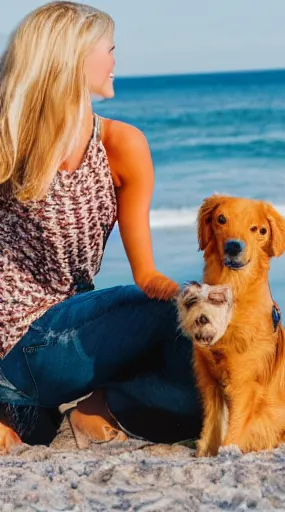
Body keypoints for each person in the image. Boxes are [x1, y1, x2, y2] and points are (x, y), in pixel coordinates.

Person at [0, 1, 201, 453]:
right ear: (72, 59)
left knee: (213, 339)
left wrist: (198, 298)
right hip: (18, 347)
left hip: (69, 350)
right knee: (179, 314)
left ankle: (98, 412)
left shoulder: (121, 145)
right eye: (108, 49)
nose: (115, 61)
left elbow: (145, 277)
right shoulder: (7, 137)